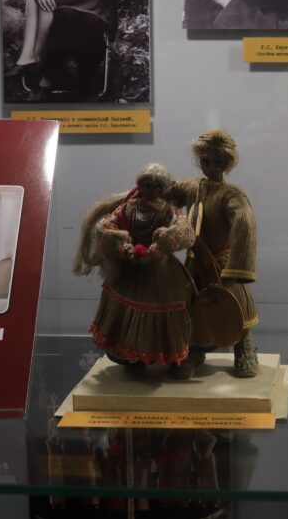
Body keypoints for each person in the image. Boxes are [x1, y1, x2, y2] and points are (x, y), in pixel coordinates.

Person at [74, 163, 199, 378]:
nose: (151, 190)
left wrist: (162, 244)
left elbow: (185, 231)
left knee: (168, 315)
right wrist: (124, 248)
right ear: (139, 185)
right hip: (130, 269)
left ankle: (174, 359)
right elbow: (104, 228)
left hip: (161, 272)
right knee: (128, 313)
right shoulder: (127, 209)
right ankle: (135, 358)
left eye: (157, 186)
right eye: (146, 185)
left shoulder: (169, 211)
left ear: (164, 189)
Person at [169, 129, 260, 376]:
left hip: (222, 265)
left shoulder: (232, 196)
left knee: (236, 307)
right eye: (206, 161)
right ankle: (193, 351)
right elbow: (166, 194)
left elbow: (244, 224)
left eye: (218, 161)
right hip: (194, 263)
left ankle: (245, 350)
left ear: (227, 163)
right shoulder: (192, 188)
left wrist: (237, 268)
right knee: (190, 307)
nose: (211, 166)